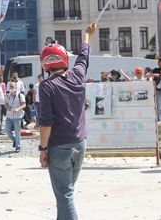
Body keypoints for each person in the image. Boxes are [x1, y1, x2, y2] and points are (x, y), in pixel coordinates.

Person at [38, 22, 96, 220]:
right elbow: (83, 57)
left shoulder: (46, 86)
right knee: (67, 192)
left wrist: (42, 150)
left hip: (59, 146)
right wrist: (87, 35)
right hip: (80, 143)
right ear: (64, 59)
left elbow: (46, 122)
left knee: (65, 195)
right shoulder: (77, 75)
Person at [5, 81, 26, 153]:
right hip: (9, 116)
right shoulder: (8, 95)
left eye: (12, 87)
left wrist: (18, 109)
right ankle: (14, 140)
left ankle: (18, 147)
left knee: (17, 132)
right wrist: (7, 107)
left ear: (16, 87)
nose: (11, 88)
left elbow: (24, 105)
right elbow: (6, 104)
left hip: (17, 116)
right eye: (10, 87)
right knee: (7, 130)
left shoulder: (20, 95)